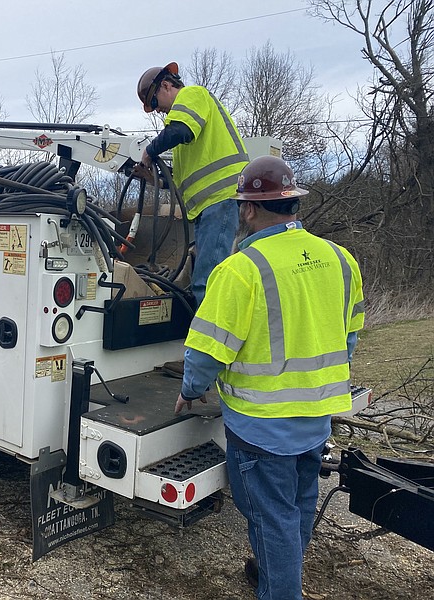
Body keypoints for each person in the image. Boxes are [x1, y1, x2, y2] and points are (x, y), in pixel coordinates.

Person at [174, 155, 365, 600]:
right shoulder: (340, 259)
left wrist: (190, 392)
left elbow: (205, 352)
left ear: (247, 208)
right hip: (316, 418)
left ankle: (281, 590)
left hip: (262, 428)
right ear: (293, 203)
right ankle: (276, 576)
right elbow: (349, 337)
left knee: (270, 515)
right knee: (297, 507)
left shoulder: (239, 270)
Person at [136, 62, 249, 377]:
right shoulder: (188, 122)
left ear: (166, 86)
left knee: (207, 283)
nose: (160, 113)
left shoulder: (193, 97)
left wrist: (149, 151)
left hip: (220, 202)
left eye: (156, 104)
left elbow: (179, 132)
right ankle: (209, 355)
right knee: (204, 280)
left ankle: (203, 362)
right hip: (209, 209)